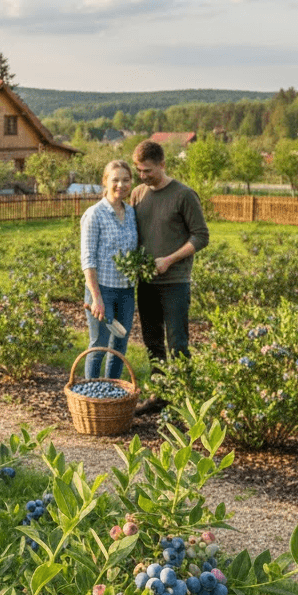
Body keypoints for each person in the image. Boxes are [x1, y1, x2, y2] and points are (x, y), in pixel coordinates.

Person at [130, 139, 209, 413]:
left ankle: (185, 401)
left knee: (178, 343)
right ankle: (160, 395)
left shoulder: (184, 195)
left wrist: (170, 259)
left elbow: (201, 236)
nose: (142, 176)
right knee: (152, 341)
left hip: (175, 281)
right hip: (146, 282)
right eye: (139, 170)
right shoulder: (138, 194)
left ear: (162, 165)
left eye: (147, 170)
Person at [80, 159, 139, 379]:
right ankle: (92, 395)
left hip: (126, 291)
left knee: (119, 346)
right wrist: (96, 298)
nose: (120, 185)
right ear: (105, 182)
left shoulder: (132, 213)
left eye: (126, 180)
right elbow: (88, 260)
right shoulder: (94, 214)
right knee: (99, 346)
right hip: (102, 290)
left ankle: (110, 393)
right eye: (115, 180)